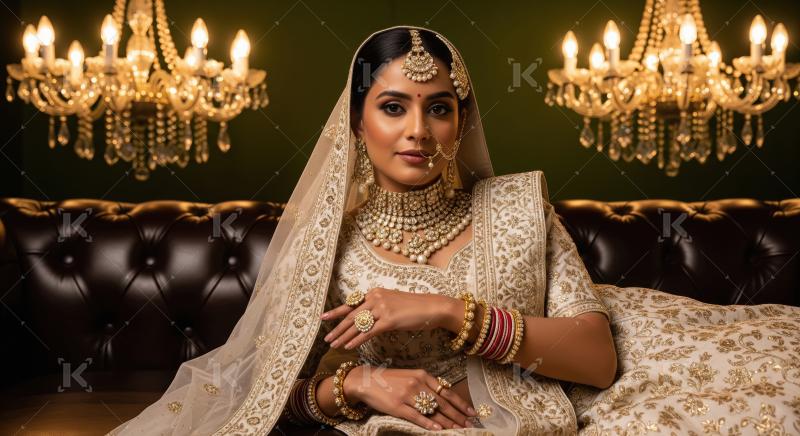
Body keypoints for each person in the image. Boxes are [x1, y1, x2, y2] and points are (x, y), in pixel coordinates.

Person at [109, 26, 800, 436]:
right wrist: (358, 389)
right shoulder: (327, 245)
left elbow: (596, 360)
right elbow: (269, 393)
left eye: (439, 108)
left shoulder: (519, 209)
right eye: (392, 107)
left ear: (461, 122)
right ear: (356, 124)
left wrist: (446, 310)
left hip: (601, 378)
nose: (417, 130)